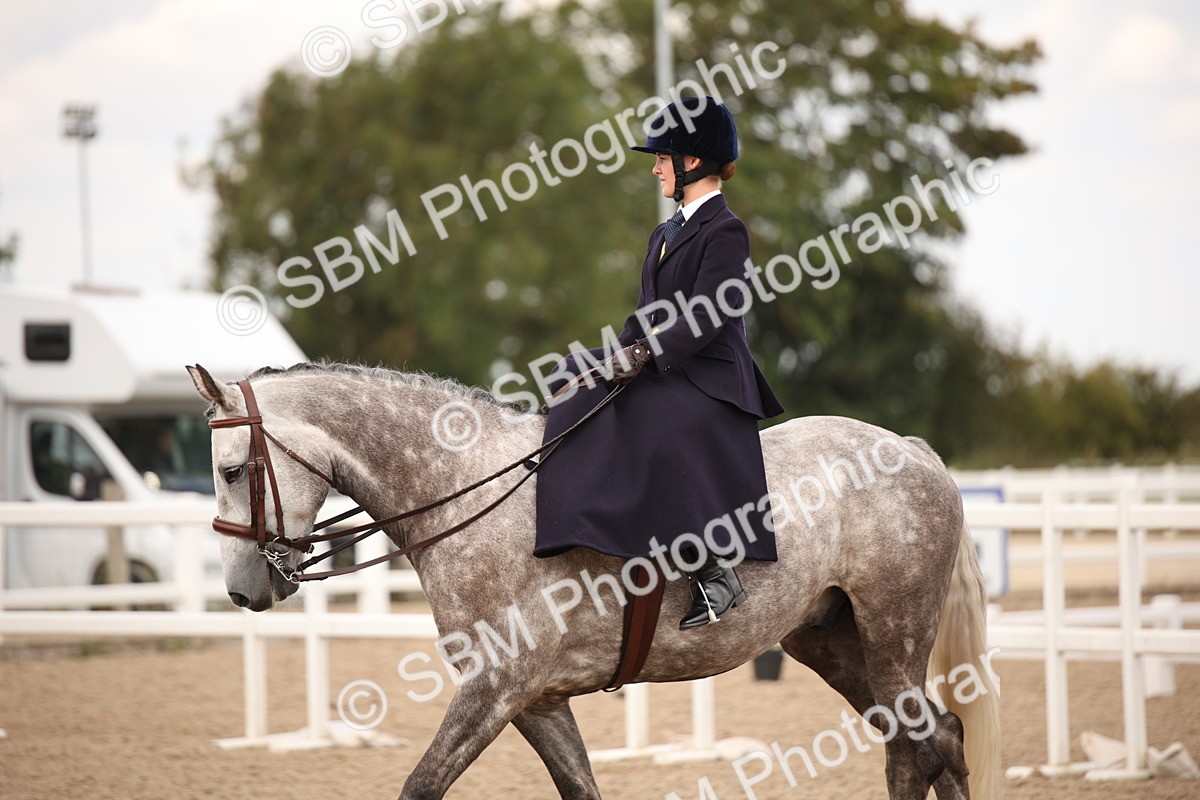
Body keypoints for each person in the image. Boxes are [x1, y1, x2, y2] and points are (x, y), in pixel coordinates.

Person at [534, 96, 785, 630]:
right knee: (571, 370)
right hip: (666, 362)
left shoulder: (725, 230)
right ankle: (577, 522)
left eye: (662, 159)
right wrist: (614, 353)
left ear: (692, 161)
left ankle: (715, 571)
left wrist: (646, 353)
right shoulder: (665, 232)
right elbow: (646, 314)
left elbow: (711, 311)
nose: (656, 169)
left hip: (711, 374)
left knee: (649, 416)